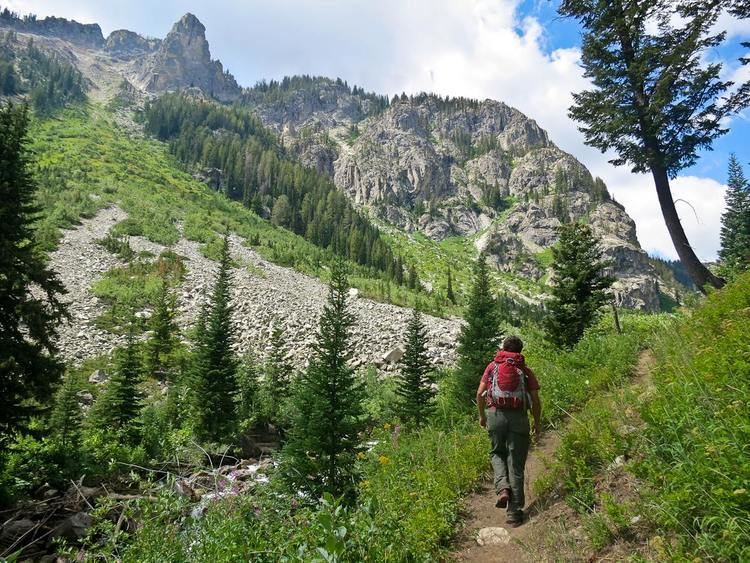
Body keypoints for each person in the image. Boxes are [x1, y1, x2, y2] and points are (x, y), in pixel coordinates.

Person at [476, 335, 542, 527]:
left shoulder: (492, 367)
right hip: (519, 419)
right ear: (520, 352)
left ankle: (502, 487)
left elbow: (479, 393)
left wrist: (482, 415)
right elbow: (536, 401)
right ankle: (514, 512)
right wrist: (537, 423)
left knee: (497, 453)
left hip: (495, 415)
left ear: (503, 349)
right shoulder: (525, 371)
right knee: (516, 462)